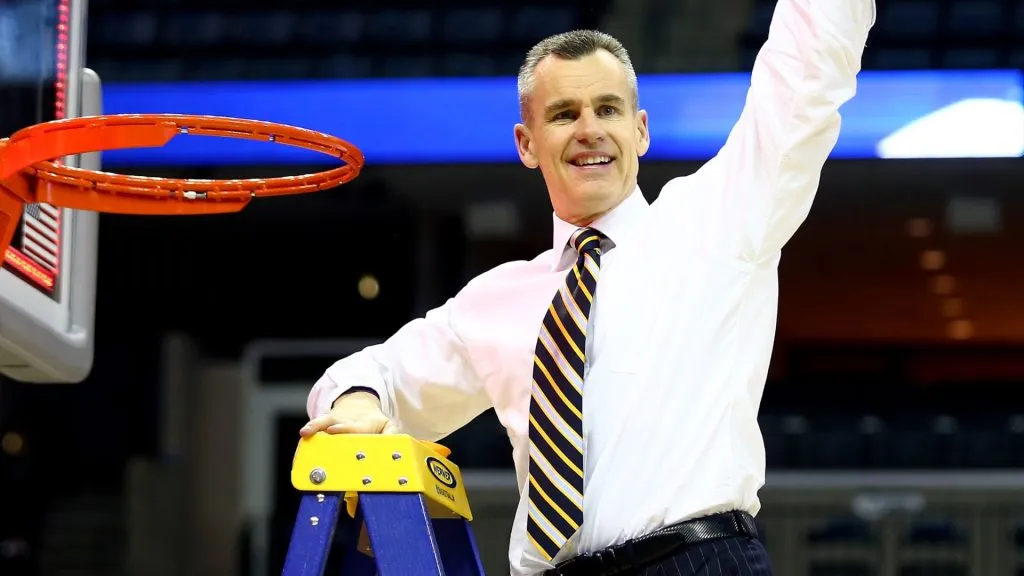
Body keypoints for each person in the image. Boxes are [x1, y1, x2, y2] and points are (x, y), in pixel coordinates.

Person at [302, 0, 875, 574]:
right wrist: (356, 406)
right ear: (527, 143)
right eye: (564, 114)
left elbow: (806, 72)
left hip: (698, 558)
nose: (590, 130)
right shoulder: (495, 300)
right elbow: (368, 376)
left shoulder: (718, 220)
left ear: (640, 129)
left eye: (608, 109)